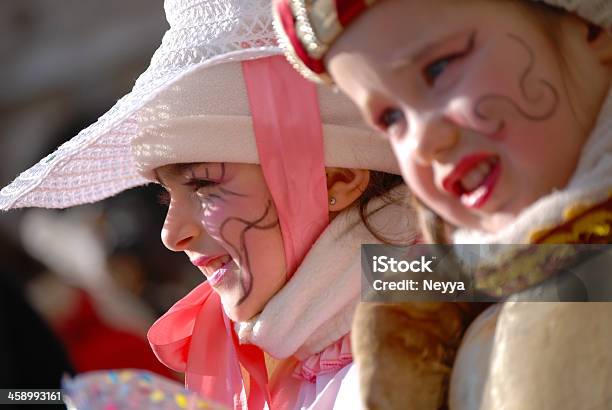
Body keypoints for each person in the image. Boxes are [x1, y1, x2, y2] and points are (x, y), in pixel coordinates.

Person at [0, 1, 442, 409]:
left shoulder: (459, 301)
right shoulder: (308, 341)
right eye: (165, 194)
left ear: (339, 179)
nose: (171, 234)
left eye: (204, 185)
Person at [273, 0, 612, 409]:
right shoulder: (444, 328)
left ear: (589, 28)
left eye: (439, 68)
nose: (423, 141)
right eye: (391, 118)